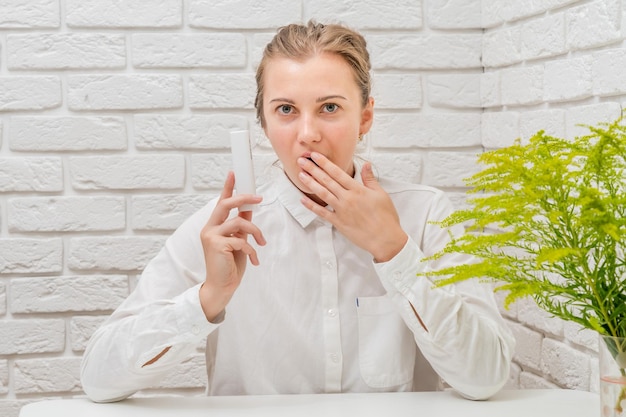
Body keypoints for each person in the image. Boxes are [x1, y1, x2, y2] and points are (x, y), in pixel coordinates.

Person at [80, 20, 515, 403]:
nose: (308, 135)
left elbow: (485, 378)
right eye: (286, 110)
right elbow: (98, 379)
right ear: (264, 124)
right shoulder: (225, 229)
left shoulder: (423, 215)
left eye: (329, 108)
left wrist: (394, 251)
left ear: (365, 117)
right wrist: (207, 298)